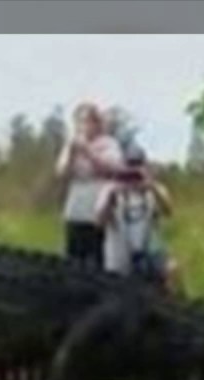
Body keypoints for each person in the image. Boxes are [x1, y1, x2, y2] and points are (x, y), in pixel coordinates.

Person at [95, 144, 183, 295]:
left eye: (137, 165)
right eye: (130, 166)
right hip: (119, 257)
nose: (133, 173)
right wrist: (111, 198)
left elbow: (169, 211)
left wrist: (151, 186)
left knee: (172, 268)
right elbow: (99, 222)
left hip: (148, 252)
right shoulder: (110, 190)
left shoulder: (153, 190)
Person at [54, 103, 124, 270]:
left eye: (87, 121)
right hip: (76, 204)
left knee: (97, 257)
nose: (83, 126)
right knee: (74, 258)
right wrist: (71, 153)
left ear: (96, 123)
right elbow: (60, 173)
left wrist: (88, 152)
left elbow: (114, 168)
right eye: (79, 122)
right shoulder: (71, 145)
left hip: (99, 203)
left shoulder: (109, 144)